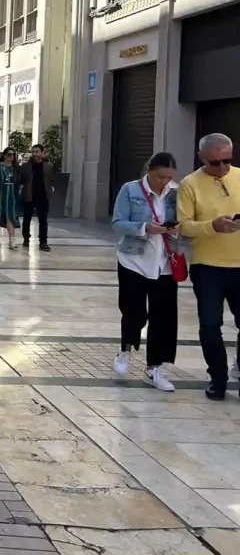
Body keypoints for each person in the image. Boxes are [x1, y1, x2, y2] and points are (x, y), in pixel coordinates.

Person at [110, 152, 181, 392]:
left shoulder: (176, 192)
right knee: (134, 312)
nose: (164, 182)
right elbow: (118, 223)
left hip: (165, 263)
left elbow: (186, 221)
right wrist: (144, 228)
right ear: (149, 171)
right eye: (161, 176)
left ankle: (154, 369)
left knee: (164, 317)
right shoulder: (130, 190)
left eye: (169, 178)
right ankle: (125, 349)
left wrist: (177, 229)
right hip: (134, 259)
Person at [177, 133, 240, 401]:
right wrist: (213, 226)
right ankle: (218, 378)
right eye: (216, 163)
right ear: (202, 158)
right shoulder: (189, 184)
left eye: (228, 161)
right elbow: (184, 226)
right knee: (211, 325)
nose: (223, 168)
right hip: (208, 268)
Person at [19, 143, 56, 251]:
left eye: (37, 152)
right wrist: (21, 188)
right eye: (33, 152)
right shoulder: (25, 167)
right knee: (27, 219)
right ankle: (26, 238)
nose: (35, 154)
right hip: (29, 196)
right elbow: (20, 179)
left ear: (42, 153)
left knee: (43, 221)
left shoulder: (47, 166)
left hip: (43, 197)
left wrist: (51, 188)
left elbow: (52, 179)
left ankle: (43, 242)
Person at [0, 148, 20, 249]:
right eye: (9, 155)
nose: (11, 157)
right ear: (4, 155)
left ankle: (12, 241)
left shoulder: (15, 168)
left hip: (12, 196)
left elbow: (19, 182)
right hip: (1, 194)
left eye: (13, 155)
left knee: (10, 217)